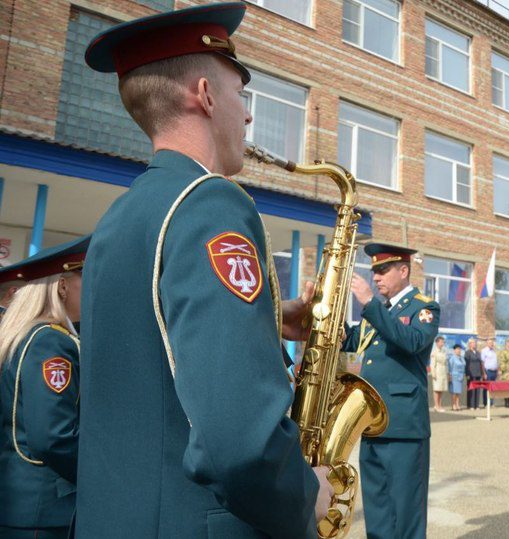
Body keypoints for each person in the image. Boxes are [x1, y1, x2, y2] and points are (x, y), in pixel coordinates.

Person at [78, 4, 330, 537]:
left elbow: (150, 353)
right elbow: (240, 444)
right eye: (241, 95)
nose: (247, 116)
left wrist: (268, 316)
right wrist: (306, 494)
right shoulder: (211, 203)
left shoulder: (118, 219)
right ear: (205, 94)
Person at [342, 242, 440, 539]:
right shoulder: (380, 310)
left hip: (402, 424)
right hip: (371, 421)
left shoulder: (423, 307)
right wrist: (327, 320)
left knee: (406, 511)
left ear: (403, 270)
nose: (376, 277)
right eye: (374, 271)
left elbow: (410, 341)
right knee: (378, 507)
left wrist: (370, 303)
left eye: (383, 270)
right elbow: (354, 342)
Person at [0, 236, 89, 538]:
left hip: (22, 503)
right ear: (62, 286)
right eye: (84, 278)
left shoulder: (24, 336)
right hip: (44, 509)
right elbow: (53, 436)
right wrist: (100, 473)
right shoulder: (52, 342)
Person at [464, 338, 485, 409]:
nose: (474, 344)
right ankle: (471, 405)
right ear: (470, 344)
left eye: (475, 343)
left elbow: (481, 363)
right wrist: (467, 374)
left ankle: (477, 405)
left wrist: (482, 373)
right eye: (473, 343)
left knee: (477, 389)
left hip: (478, 373)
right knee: (471, 390)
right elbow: (466, 364)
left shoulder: (478, 352)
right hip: (471, 374)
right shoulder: (467, 353)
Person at [430, 336, 448, 412]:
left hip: (443, 372)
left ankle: (440, 405)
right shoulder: (434, 351)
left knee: (441, 389)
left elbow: (446, 363)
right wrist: (433, 373)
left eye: (443, 342)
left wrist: (447, 372)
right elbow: (432, 363)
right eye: (441, 342)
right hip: (437, 372)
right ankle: (436, 405)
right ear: (437, 342)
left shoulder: (444, 351)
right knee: (436, 389)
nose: (442, 343)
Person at [447, 344, 466, 411]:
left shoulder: (462, 358)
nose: (459, 350)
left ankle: (458, 404)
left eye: (459, 349)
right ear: (454, 350)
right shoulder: (452, 358)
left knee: (458, 392)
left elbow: (464, 366)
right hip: (454, 376)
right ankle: (454, 405)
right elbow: (449, 368)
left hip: (460, 377)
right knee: (454, 392)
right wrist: (449, 376)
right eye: (457, 349)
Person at [480, 337, 498, 406]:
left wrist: (497, 371)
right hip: (488, 372)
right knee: (486, 388)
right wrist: (484, 373)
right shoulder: (484, 351)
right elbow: (482, 363)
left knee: (492, 388)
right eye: (490, 343)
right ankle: (486, 403)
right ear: (487, 343)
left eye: (492, 343)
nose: (491, 344)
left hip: (494, 372)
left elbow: (496, 362)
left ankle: (491, 403)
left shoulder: (494, 351)